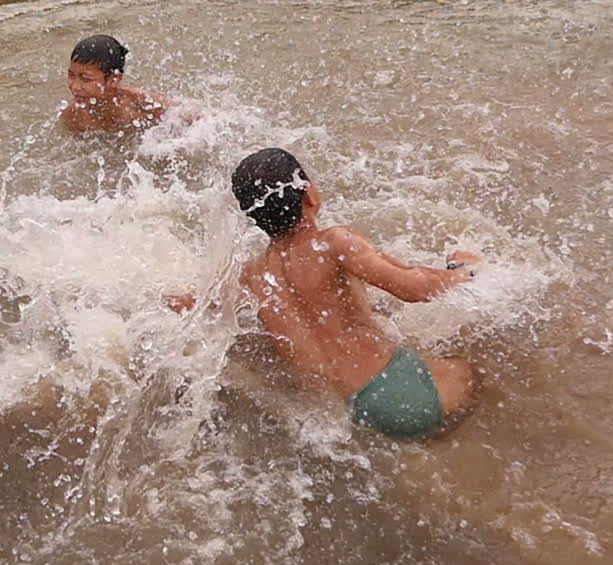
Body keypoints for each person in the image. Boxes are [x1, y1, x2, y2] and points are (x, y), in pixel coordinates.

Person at [225, 147, 481, 438]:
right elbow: (415, 288)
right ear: (310, 195)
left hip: (337, 412)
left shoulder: (250, 275)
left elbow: (197, 305)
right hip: (391, 391)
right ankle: (435, 439)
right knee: (474, 367)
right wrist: (462, 271)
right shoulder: (333, 243)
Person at [61, 34, 170, 134]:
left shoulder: (141, 103)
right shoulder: (74, 116)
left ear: (114, 79)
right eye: (71, 75)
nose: (75, 87)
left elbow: (177, 117)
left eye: (86, 79)